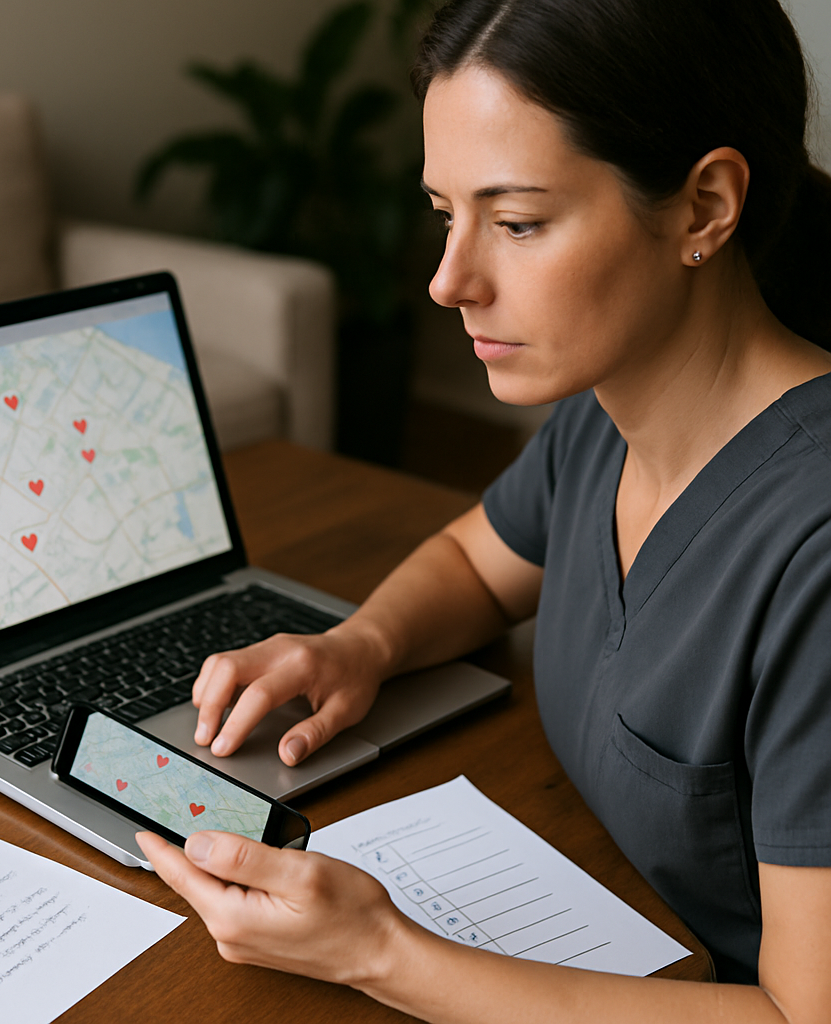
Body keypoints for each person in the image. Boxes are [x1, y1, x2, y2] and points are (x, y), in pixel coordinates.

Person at [137, 0, 831, 1018]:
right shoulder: (608, 406)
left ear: (702, 208)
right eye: (442, 213)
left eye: (514, 223)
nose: (447, 279)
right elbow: (479, 560)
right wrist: (360, 646)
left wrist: (378, 951)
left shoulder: (810, 552)